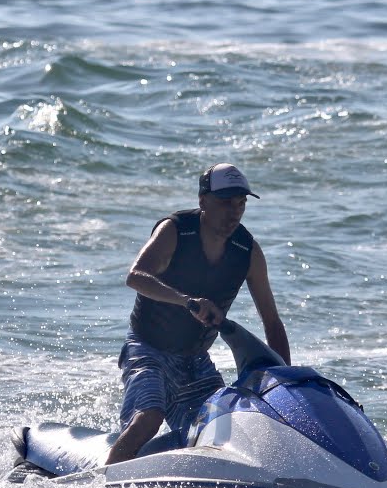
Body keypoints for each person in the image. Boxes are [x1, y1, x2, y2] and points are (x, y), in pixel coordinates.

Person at [105, 163, 290, 465]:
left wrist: (284, 382)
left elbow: (272, 321)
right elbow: (136, 276)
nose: (234, 212)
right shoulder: (176, 230)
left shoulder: (248, 251)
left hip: (196, 363)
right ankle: (103, 483)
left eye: (241, 204)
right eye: (226, 203)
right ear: (203, 201)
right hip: (148, 350)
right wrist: (187, 301)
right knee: (149, 419)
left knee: (227, 429)